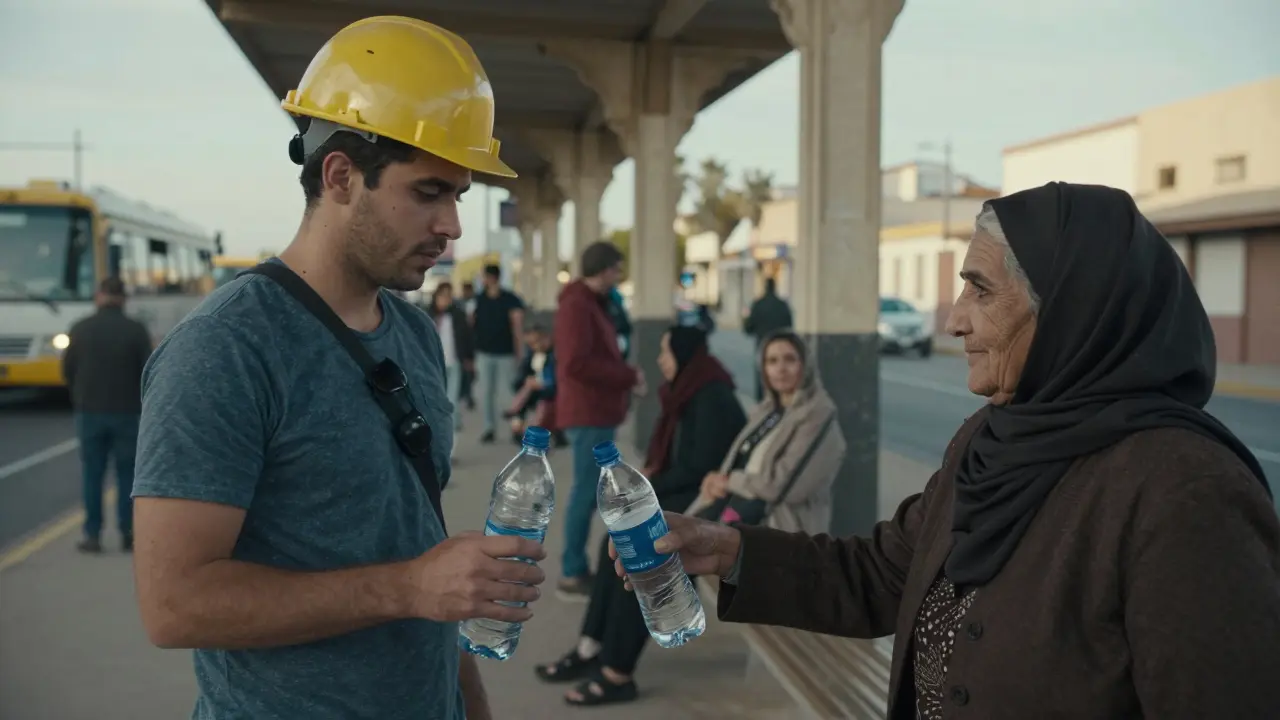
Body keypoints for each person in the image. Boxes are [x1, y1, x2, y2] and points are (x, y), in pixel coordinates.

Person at [614, 183, 1280, 719]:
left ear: (1076, 310)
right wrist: (726, 549)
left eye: (982, 290)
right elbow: (883, 572)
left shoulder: (1186, 493)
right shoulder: (991, 438)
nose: (955, 318)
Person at [129, 17, 547, 720]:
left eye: (458, 196)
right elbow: (175, 605)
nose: (452, 226)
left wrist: (468, 702)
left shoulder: (413, 333)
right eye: (428, 192)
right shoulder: (226, 348)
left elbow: (423, 548)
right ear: (341, 175)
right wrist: (410, 589)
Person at [535, 326, 745, 705]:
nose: (661, 360)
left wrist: (649, 487)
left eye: (665, 352)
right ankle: (590, 648)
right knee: (612, 543)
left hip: (715, 505)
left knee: (641, 550)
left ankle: (617, 672)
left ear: (683, 354)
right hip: (696, 495)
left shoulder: (711, 396)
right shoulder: (689, 390)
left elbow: (700, 468)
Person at [554, 240, 645, 600]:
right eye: (617, 269)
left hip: (594, 411)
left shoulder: (588, 303)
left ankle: (575, 568)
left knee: (590, 493)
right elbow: (576, 363)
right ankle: (572, 571)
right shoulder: (578, 306)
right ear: (604, 268)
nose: (620, 276)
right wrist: (625, 376)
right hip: (588, 412)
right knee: (585, 493)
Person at [685, 329, 845, 534]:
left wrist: (730, 481)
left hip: (781, 533)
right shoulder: (766, 412)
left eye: (790, 359)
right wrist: (715, 481)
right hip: (734, 514)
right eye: (772, 361)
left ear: (805, 366)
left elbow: (780, 486)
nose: (781, 369)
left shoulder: (818, 416)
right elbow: (741, 462)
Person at [61, 276, 153, 553]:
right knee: (127, 474)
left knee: (93, 474)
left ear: (99, 296)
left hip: (89, 411)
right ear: (123, 298)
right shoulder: (136, 330)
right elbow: (148, 371)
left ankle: (92, 534)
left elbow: (67, 370)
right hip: (127, 412)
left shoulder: (80, 328)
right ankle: (127, 533)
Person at [472, 264, 525, 443]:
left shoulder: (510, 299)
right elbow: (473, 325)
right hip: (484, 352)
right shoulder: (479, 299)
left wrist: (520, 352)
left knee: (508, 392)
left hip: (505, 353)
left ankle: (515, 427)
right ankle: (489, 428)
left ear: (492, 277)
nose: (483, 280)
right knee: (486, 392)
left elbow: (517, 327)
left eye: (484, 276)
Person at [426, 281, 474, 455]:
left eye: (449, 296)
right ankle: (433, 445)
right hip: (432, 367)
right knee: (433, 405)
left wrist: (469, 358)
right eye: (442, 295)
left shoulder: (458, 315)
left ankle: (449, 449)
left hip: (454, 364)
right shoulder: (426, 315)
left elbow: (467, 338)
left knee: (451, 405)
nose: (446, 299)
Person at [742, 278, 793, 401]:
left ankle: (764, 401)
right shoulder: (782, 305)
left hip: (763, 345)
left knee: (763, 375)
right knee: (781, 372)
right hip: (781, 345)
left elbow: (748, 328)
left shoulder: (758, 304)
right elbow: (789, 325)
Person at [505, 325, 558, 443]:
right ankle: (519, 425)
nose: (534, 346)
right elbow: (522, 375)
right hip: (535, 390)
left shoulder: (552, 357)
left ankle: (516, 410)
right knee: (527, 392)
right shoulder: (531, 356)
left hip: (548, 389)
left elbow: (553, 379)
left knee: (539, 404)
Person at [459, 282, 477, 409]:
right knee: (465, 371)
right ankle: (466, 394)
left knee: (471, 372)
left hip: (473, 340)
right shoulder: (459, 305)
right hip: (464, 341)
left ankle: (468, 394)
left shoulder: (475, 303)